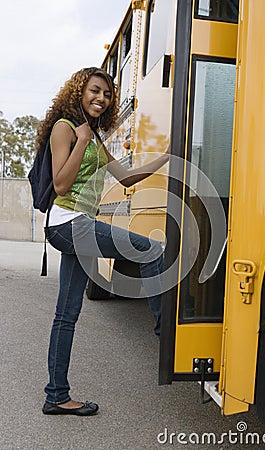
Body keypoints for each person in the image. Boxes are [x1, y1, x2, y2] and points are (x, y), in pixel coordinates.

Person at [36, 67, 170, 416]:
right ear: (79, 92)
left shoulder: (92, 136)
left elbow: (125, 176)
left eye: (108, 94)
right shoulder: (65, 129)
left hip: (78, 225)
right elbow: (61, 185)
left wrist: (166, 156)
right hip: (68, 223)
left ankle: (56, 396)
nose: (102, 98)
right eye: (95, 91)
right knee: (151, 249)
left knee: (66, 314)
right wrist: (80, 140)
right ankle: (165, 333)